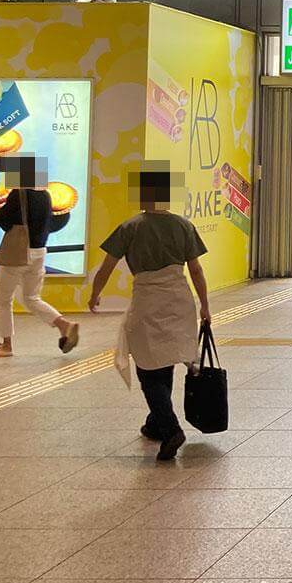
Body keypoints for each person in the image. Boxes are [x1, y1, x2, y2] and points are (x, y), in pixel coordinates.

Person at [88, 165, 211, 462]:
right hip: (179, 299)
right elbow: (195, 268)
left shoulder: (131, 227)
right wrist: (205, 304)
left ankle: (170, 429)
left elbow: (107, 265)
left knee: (147, 365)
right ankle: (155, 423)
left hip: (147, 299)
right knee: (165, 358)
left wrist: (95, 293)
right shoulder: (183, 225)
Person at [0, 156, 79, 358]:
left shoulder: (18, 194)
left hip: (19, 253)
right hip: (39, 252)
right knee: (31, 298)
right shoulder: (46, 195)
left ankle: (6, 345)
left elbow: (4, 222)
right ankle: (64, 325)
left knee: (3, 301)